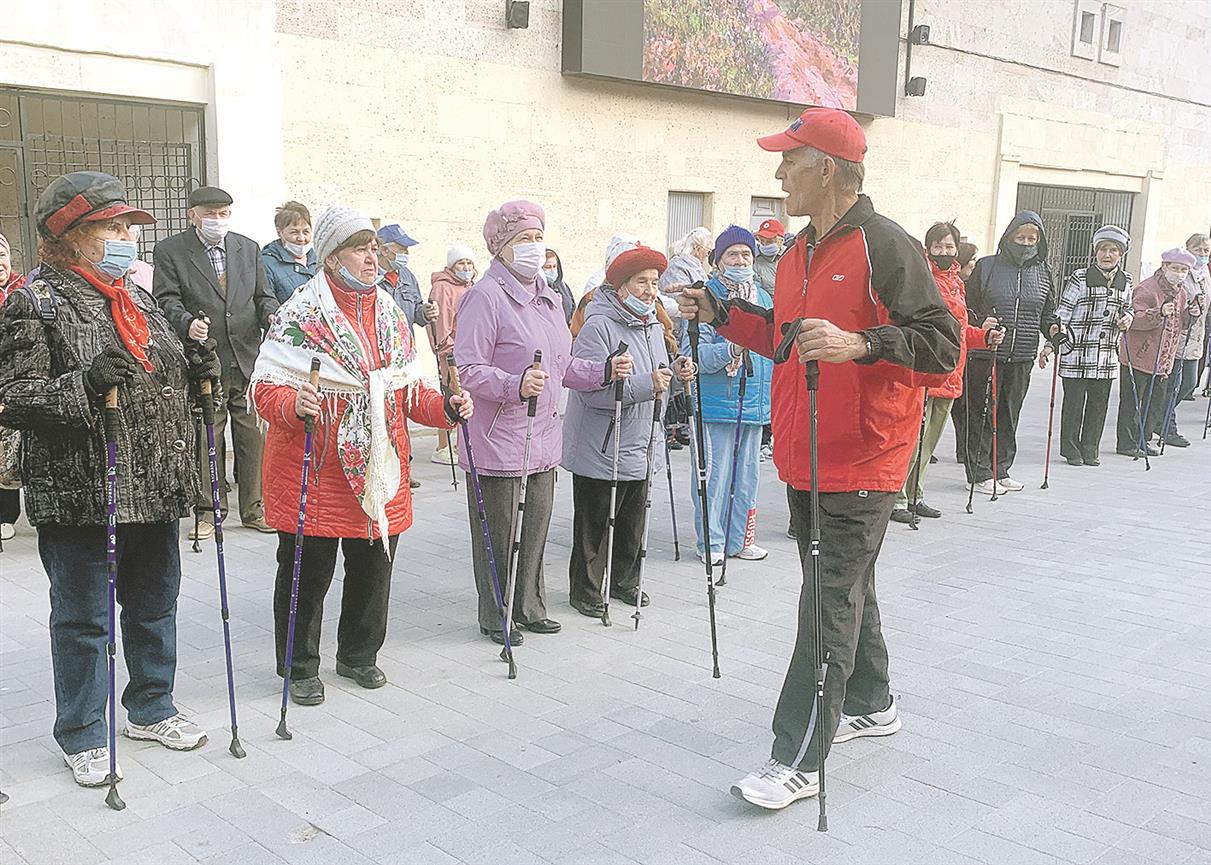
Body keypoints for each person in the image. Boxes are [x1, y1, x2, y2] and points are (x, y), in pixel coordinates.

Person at [677, 107, 959, 810]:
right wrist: (714, 312)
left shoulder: (885, 245)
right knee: (842, 586)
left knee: (824, 602)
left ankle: (797, 757)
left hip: (863, 459)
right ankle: (871, 698)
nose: (778, 173)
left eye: (789, 161)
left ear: (827, 169)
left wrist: (861, 344)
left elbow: (942, 343)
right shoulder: (800, 249)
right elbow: (782, 334)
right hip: (806, 455)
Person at [0, 171, 217, 786]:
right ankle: (81, 731)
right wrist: (86, 386)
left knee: (154, 607)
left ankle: (150, 707)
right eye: (112, 227)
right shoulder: (34, 300)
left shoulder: (135, 295)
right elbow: (13, 396)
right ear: (69, 234)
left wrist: (195, 368)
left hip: (152, 484)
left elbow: (158, 371)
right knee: (83, 619)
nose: (127, 237)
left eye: (129, 226)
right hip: (79, 492)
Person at [251, 206, 473, 705]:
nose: (371, 256)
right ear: (332, 257)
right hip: (316, 465)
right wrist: (293, 403)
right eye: (359, 247)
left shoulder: (392, 314)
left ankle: (358, 654)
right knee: (308, 573)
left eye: (373, 247)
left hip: (379, 465)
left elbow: (408, 390)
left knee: (374, 568)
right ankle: (299, 665)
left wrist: (447, 408)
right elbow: (265, 386)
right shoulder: (301, 314)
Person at [453, 200, 633, 645]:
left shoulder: (549, 297)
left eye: (538, 237)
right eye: (523, 240)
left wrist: (603, 370)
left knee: (535, 526)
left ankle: (530, 606)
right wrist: (515, 384)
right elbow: (469, 367)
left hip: (543, 435)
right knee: (498, 533)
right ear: (501, 248)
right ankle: (496, 613)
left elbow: (564, 364)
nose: (535, 247)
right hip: (500, 437)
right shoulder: (485, 297)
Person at [562, 246, 693, 617]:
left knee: (634, 520)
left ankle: (625, 580)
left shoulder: (653, 323)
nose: (651, 291)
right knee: (595, 523)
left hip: (641, 441)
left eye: (654, 283)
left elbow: (659, 373)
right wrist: (645, 384)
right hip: (602, 444)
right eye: (642, 283)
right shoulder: (598, 325)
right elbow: (590, 388)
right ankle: (586, 589)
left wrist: (678, 372)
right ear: (620, 287)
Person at [153, 185, 280, 538]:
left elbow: (262, 296)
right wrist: (186, 323)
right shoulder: (170, 250)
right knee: (209, 432)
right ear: (192, 214)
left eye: (224, 214)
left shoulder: (247, 248)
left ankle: (255, 508)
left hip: (245, 355)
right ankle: (209, 510)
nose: (217, 221)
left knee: (252, 432)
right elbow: (165, 299)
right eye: (210, 214)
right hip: (203, 356)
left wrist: (272, 316)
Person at [891, 223, 1001, 524]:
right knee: (912, 439)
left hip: (952, 371)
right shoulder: (922, 278)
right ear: (928, 248)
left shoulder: (956, 282)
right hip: (927, 369)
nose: (944, 251)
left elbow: (960, 331)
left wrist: (984, 336)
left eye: (949, 246)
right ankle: (897, 497)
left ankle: (916, 494)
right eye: (938, 246)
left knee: (929, 442)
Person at [682, 225, 772, 564]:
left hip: (753, 404)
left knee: (747, 477)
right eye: (732, 254)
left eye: (746, 254)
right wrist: (730, 350)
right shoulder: (706, 297)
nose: (740, 260)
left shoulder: (763, 299)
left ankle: (741, 539)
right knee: (714, 478)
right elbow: (697, 356)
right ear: (718, 261)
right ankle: (710, 542)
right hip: (715, 404)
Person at [963, 212, 1060, 494]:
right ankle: (979, 471)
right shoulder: (987, 266)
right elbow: (968, 307)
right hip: (987, 352)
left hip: (1022, 354)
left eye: (1032, 238)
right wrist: (982, 322)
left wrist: (1053, 331)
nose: (1026, 243)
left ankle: (1000, 468)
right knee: (983, 413)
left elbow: (1048, 312)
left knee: (1009, 412)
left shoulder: (1043, 271)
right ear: (1009, 237)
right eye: (1021, 237)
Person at [1038, 225, 1133, 467]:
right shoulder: (1080, 277)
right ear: (1095, 252)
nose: (1107, 255)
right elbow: (1063, 313)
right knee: (1074, 404)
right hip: (1077, 353)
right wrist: (1051, 345)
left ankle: (1090, 448)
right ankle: (1070, 449)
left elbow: (1129, 309)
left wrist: (1128, 319)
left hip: (1106, 357)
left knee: (1099, 405)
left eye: (1113, 250)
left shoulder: (1126, 280)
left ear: (1121, 254)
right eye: (1103, 249)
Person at [1116, 247, 1198, 456]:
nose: (1179, 274)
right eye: (1175, 268)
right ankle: (1127, 443)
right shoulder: (1147, 289)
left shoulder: (1181, 293)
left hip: (1163, 359)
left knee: (1154, 402)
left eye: (1183, 270)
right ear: (1164, 267)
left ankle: (1144, 439)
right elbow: (1135, 319)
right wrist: (1158, 312)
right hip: (1139, 355)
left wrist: (1191, 314)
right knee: (1132, 402)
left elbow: (1180, 323)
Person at [429, 244, 478, 466]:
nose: (466, 267)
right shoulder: (443, 288)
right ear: (451, 266)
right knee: (451, 396)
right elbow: (441, 324)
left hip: (471, 352)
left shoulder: (471, 286)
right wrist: (447, 350)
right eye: (461, 263)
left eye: (469, 263)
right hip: (452, 353)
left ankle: (462, 445)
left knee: (466, 398)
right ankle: (443, 446)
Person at [0, 231, 26, 541]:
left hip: (17, 383)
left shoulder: (24, 292)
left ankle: (8, 514)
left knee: (12, 447)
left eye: (2, 256)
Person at [951, 240, 980, 463]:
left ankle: (962, 449)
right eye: (971, 260)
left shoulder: (965, 285)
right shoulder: (953, 286)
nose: (974, 265)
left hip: (966, 353)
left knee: (962, 407)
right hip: (953, 356)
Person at [378, 223, 438, 330]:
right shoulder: (368, 277)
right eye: (402, 249)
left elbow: (416, 311)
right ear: (384, 250)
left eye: (406, 250)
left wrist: (425, 312)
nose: (406, 254)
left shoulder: (408, 277)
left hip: (406, 344)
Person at [262, 200, 318, 302]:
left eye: (306, 232)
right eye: (294, 232)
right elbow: (267, 301)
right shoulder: (267, 263)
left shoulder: (319, 259)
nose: (301, 238)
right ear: (280, 233)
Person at [542, 249, 576, 324]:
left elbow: (572, 307)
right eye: (548, 267)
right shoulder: (537, 289)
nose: (552, 270)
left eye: (554, 266)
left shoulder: (563, 287)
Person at [753, 218, 785, 296]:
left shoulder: (788, 257)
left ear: (780, 241)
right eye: (762, 241)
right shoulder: (753, 257)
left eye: (769, 241)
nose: (765, 245)